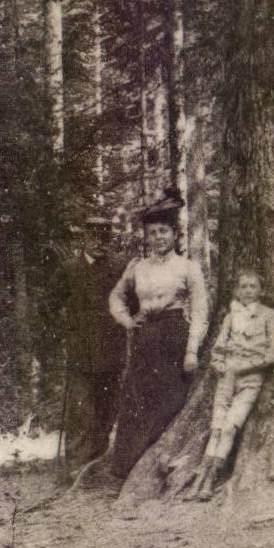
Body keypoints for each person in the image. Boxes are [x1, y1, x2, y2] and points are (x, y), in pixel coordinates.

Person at [107, 191, 209, 483]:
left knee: (170, 402)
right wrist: (128, 320)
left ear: (175, 234)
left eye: (163, 231)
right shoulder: (137, 267)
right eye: (152, 233)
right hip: (145, 339)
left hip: (175, 338)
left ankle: (162, 468)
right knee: (138, 402)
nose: (158, 237)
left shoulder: (188, 267)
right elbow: (116, 297)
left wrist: (192, 350)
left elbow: (200, 310)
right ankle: (130, 470)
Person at [186, 269, 274, 501]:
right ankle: (200, 479)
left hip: (250, 378)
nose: (248, 291)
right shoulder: (231, 315)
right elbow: (219, 346)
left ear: (261, 291)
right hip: (227, 376)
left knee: (230, 426)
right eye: (243, 287)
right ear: (237, 291)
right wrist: (219, 364)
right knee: (217, 427)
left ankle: (211, 478)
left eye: (253, 286)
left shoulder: (268, 315)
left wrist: (250, 365)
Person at [61, 211, 128, 482]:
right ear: (84, 239)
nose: (99, 243)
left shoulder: (120, 267)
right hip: (81, 351)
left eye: (105, 238)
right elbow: (49, 305)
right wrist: (66, 330)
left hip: (111, 349)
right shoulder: (70, 268)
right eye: (94, 237)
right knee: (80, 408)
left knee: (107, 407)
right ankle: (76, 465)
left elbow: (132, 303)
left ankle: (96, 461)